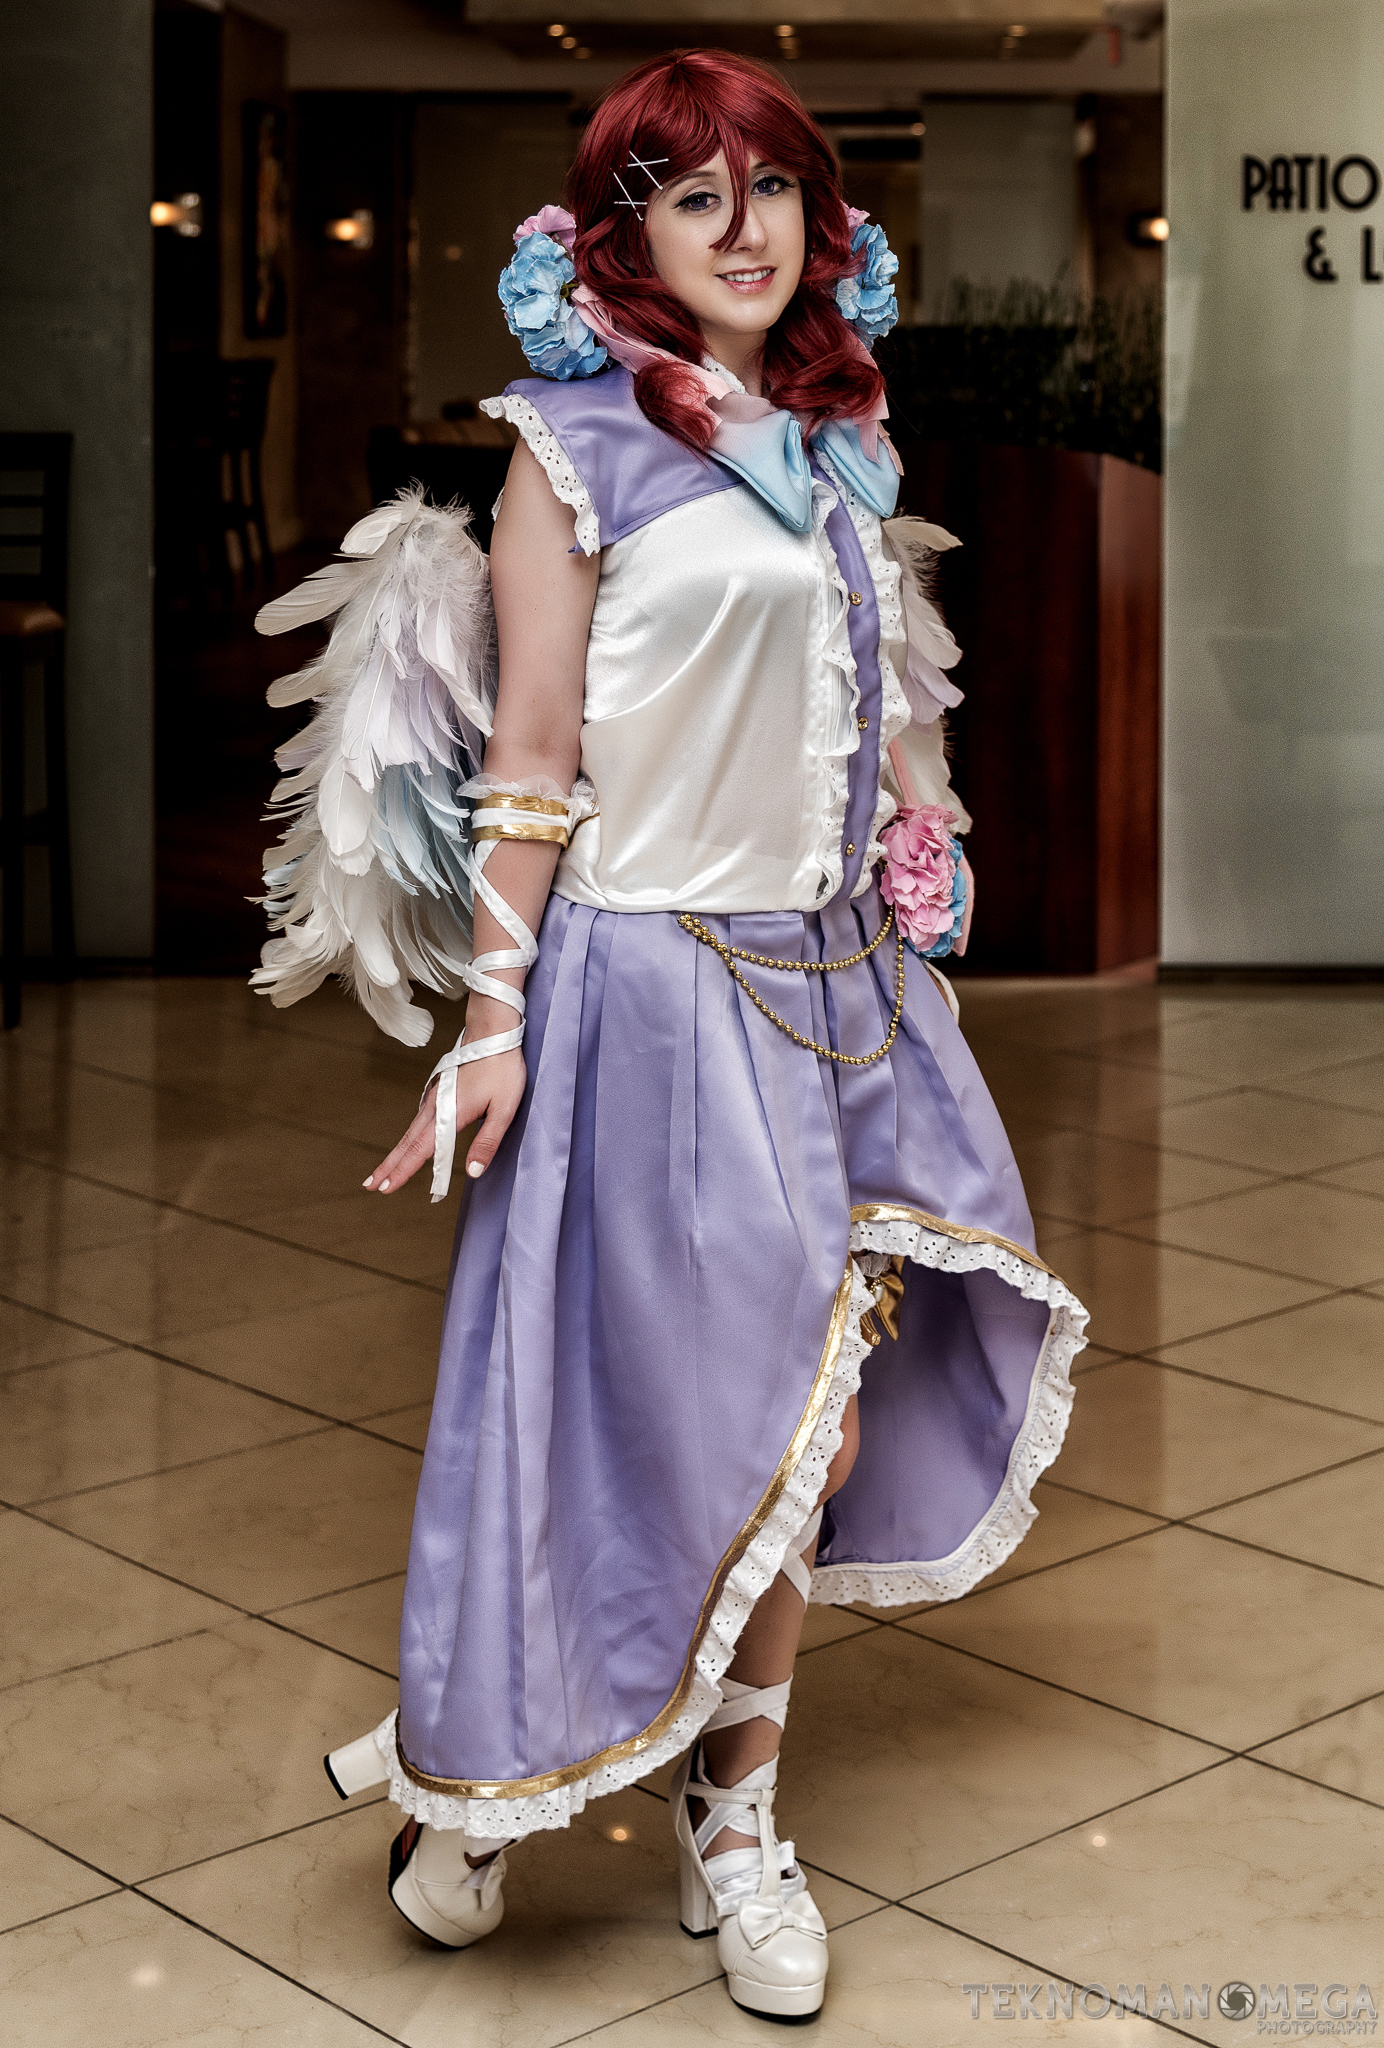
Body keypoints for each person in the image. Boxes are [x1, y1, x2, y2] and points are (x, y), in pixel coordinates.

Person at [254, 48, 1088, 2024]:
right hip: (647, 991)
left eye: (771, 188)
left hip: (836, 990)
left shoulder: (840, 444)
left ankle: (736, 1816)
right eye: (692, 194)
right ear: (624, 234)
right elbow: (534, 759)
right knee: (633, 1417)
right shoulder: (569, 447)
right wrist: (490, 1021)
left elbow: (877, 695)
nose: (743, 227)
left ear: (821, 220)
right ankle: (483, 1771)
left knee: (816, 1416)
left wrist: (923, 827)